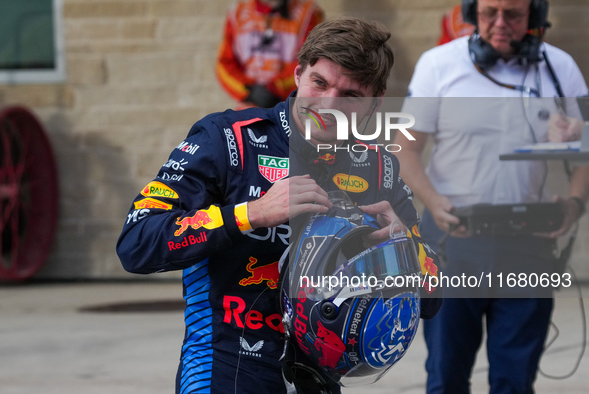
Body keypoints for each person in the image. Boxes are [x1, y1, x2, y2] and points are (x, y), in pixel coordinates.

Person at [117, 16, 439, 394]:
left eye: (350, 96)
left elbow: (433, 297)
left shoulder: (377, 167)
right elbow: (137, 243)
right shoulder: (228, 140)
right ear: (299, 74)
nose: (328, 104)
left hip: (320, 379)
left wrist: (406, 252)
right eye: (319, 83)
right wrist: (251, 214)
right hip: (225, 371)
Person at [394, 0, 589, 393]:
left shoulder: (560, 67)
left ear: (533, 16)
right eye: (489, 13)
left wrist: (574, 203)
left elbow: (587, 147)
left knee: (514, 380)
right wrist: (432, 201)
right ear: (471, 13)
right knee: (446, 375)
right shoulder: (437, 65)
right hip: (453, 241)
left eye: (514, 14)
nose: (500, 24)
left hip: (529, 242)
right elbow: (405, 149)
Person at [215, 0, 324, 108]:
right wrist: (249, 90)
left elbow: (312, 62)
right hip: (248, 110)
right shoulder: (237, 13)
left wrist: (276, 88)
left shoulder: (308, 13)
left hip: (290, 107)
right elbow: (224, 63)